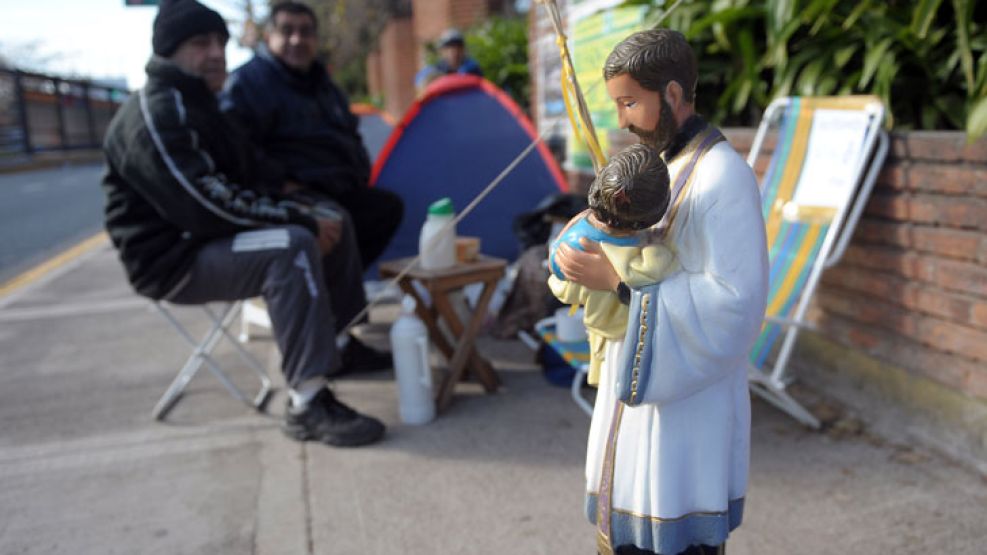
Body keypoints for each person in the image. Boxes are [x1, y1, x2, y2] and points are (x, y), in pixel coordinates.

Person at [102, 0, 386, 447]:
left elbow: (251, 168)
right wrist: (297, 219)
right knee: (291, 244)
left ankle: (340, 343)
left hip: (208, 238)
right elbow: (203, 203)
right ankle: (307, 403)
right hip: (175, 259)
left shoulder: (203, 104)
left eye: (221, 42)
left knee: (332, 216)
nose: (216, 52)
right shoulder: (157, 112)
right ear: (170, 50)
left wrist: (303, 202)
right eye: (201, 43)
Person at [554, 29, 769, 555]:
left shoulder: (724, 178)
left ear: (672, 94)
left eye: (630, 102)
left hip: (686, 413)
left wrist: (620, 285)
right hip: (635, 389)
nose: (622, 119)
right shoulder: (657, 166)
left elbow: (735, 305)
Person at [221, 1, 403, 270]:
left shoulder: (325, 86)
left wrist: (359, 171)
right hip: (288, 194)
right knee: (336, 222)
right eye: (287, 30)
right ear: (269, 36)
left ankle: (332, 285)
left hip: (339, 188)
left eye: (306, 32)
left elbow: (350, 134)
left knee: (386, 207)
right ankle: (337, 301)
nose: (297, 39)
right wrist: (282, 183)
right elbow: (239, 147)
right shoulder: (248, 83)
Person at [547, 144, 675, 386]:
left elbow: (563, 286)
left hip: (604, 337)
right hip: (635, 339)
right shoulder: (641, 257)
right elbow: (665, 266)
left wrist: (562, 240)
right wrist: (654, 241)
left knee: (610, 401)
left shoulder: (582, 247)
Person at [414, 28, 483, 92]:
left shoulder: (472, 68)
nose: (454, 51)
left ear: (463, 49)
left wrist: (444, 79)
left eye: (458, 47)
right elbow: (419, 78)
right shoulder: (438, 68)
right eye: (449, 48)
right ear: (442, 51)